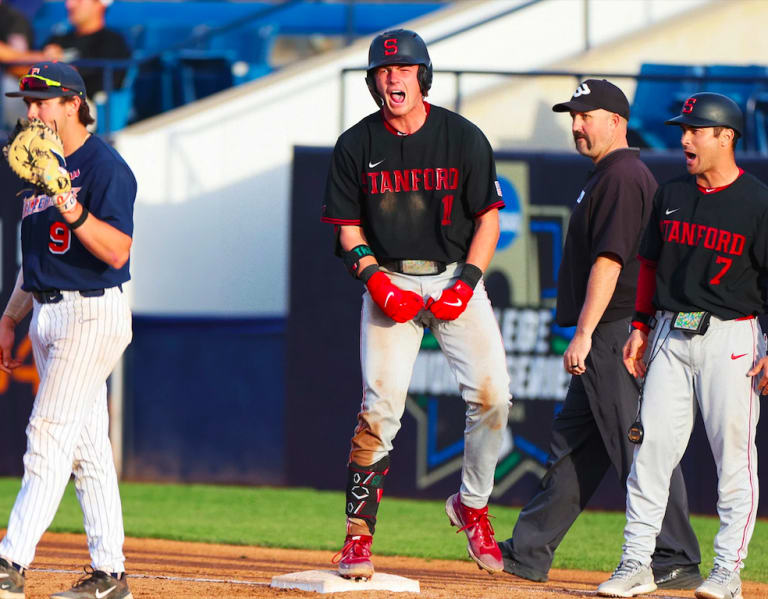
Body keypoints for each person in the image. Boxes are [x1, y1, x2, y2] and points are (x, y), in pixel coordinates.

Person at [321, 29, 511, 580]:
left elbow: (488, 219)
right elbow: (345, 227)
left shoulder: (462, 137)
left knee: (495, 396)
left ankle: (472, 506)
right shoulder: (356, 144)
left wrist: (469, 280)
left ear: (421, 77)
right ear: (372, 81)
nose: (392, 78)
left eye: (402, 70)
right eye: (383, 72)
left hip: (454, 274)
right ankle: (357, 539)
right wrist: (374, 278)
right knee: (380, 411)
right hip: (391, 279)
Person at [498, 79, 702, 590]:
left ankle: (674, 553)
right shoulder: (610, 174)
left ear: (616, 121)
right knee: (573, 447)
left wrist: (585, 332)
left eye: (585, 115)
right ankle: (528, 551)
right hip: (608, 332)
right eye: (573, 115)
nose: (576, 124)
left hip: (615, 332)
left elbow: (610, 261)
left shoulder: (622, 175)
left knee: (638, 447)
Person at [597, 92, 768, 599]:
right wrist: (640, 326)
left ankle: (727, 572)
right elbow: (649, 265)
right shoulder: (670, 193)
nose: (684, 138)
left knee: (733, 461)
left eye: (696, 129)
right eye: (683, 129)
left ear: (726, 136)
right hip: (671, 332)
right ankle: (636, 562)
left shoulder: (758, 202)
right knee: (650, 452)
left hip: (733, 337)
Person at [0, 61, 135, 599]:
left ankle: (10, 563)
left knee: (47, 434)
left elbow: (118, 250)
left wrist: (69, 203)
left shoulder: (104, 167)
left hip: (91, 311)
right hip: (47, 311)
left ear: (75, 103)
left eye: (43, 102)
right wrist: (11, 317)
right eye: (28, 102)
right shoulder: (40, 165)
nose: (32, 112)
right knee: (86, 450)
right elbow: (32, 263)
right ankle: (110, 575)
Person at [44, 0, 131, 99]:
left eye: (79, 1)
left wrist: (56, 66)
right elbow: (29, 61)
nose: (69, 5)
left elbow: (104, 82)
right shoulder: (59, 38)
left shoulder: (112, 42)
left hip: (83, 104)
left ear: (99, 4)